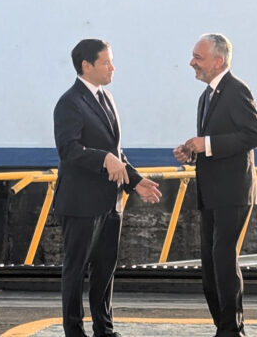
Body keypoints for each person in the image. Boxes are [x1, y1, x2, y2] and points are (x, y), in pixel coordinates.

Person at [53, 38, 162, 337]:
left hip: (110, 201)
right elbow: (69, 150)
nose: (113, 67)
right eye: (106, 62)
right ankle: (74, 331)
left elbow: (116, 151)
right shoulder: (69, 103)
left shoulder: (107, 98)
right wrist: (104, 159)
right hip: (81, 202)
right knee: (75, 271)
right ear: (86, 66)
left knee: (105, 271)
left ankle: (105, 329)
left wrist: (136, 181)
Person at [173, 33, 257, 337]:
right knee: (210, 268)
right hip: (211, 193)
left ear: (218, 60)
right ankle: (223, 326)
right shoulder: (206, 97)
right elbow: (215, 146)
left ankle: (231, 330)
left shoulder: (237, 91)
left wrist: (206, 143)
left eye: (197, 57)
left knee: (224, 262)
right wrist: (194, 153)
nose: (191, 63)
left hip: (233, 192)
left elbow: (254, 136)